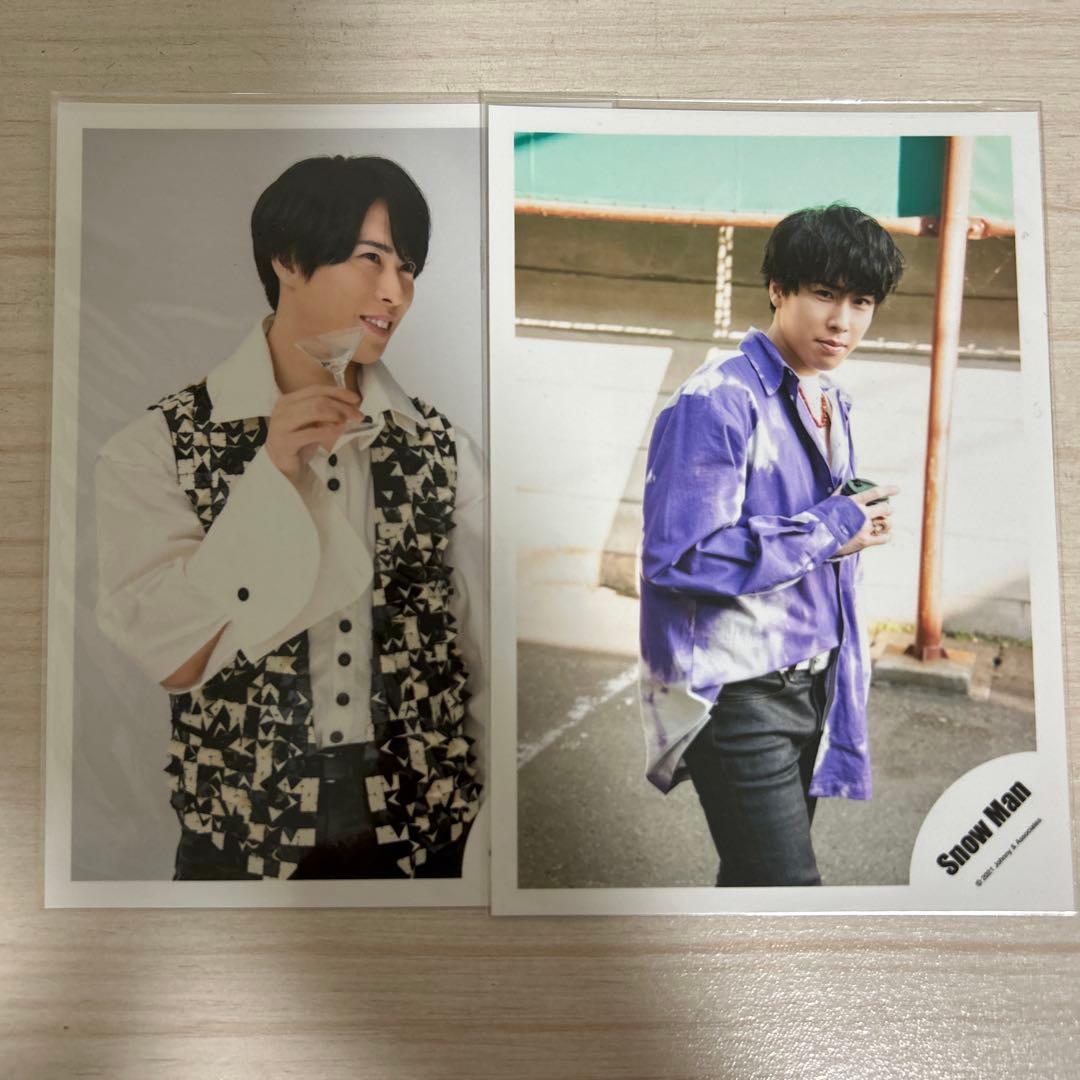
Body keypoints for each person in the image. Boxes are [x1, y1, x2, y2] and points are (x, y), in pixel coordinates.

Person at [95, 155, 483, 881]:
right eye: (371, 259)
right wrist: (271, 476)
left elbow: (478, 656)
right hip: (237, 841)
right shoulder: (154, 448)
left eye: (407, 268)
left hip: (424, 836)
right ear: (289, 260)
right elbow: (172, 656)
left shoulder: (446, 449)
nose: (395, 292)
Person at [638, 203, 905, 887]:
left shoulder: (830, 399)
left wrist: (848, 530)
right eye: (824, 293)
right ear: (778, 290)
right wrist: (827, 529)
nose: (842, 320)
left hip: (813, 684)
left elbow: (816, 535)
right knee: (789, 891)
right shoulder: (718, 399)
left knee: (752, 886)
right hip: (739, 692)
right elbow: (681, 556)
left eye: (861, 301)